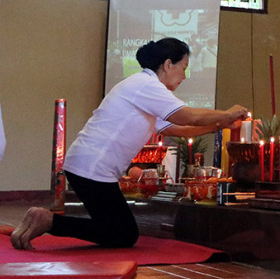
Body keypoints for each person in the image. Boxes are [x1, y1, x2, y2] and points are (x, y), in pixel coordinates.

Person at [8, 38, 248, 250]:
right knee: (122, 233)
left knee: (116, 229)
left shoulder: (143, 86)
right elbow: (188, 117)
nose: (184, 76)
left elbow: (178, 129)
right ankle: (48, 221)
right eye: (183, 68)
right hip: (93, 168)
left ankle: (49, 221)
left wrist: (221, 126)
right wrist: (227, 114)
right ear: (167, 64)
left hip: (89, 166)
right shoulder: (147, 86)